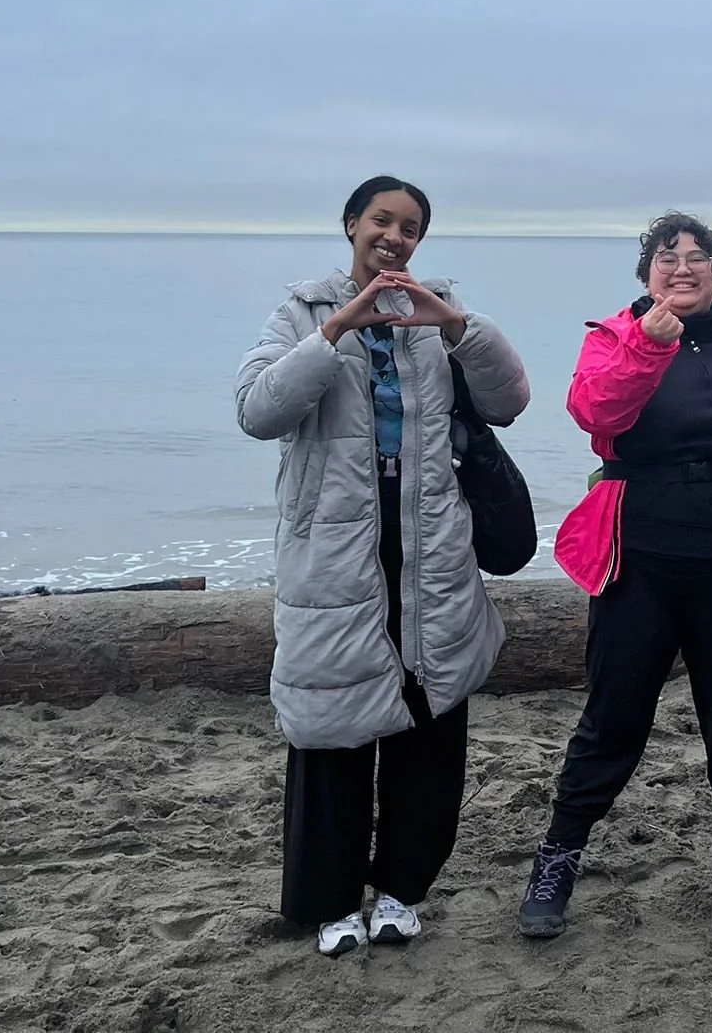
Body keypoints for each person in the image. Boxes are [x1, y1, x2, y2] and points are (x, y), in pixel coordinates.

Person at [235, 176, 530, 957]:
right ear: (351, 225)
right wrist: (335, 331)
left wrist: (460, 327)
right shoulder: (301, 313)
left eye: (410, 228)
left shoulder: (438, 314)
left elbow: (510, 400)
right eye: (382, 221)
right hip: (335, 549)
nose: (395, 238)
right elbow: (257, 411)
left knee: (430, 718)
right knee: (331, 725)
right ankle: (330, 902)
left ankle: (401, 889)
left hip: (431, 543)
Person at [518, 212, 712, 938]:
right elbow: (593, 412)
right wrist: (647, 344)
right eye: (667, 256)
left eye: (699, 257)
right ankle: (559, 855)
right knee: (612, 717)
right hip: (637, 554)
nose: (683, 266)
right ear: (646, 272)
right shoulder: (614, 336)